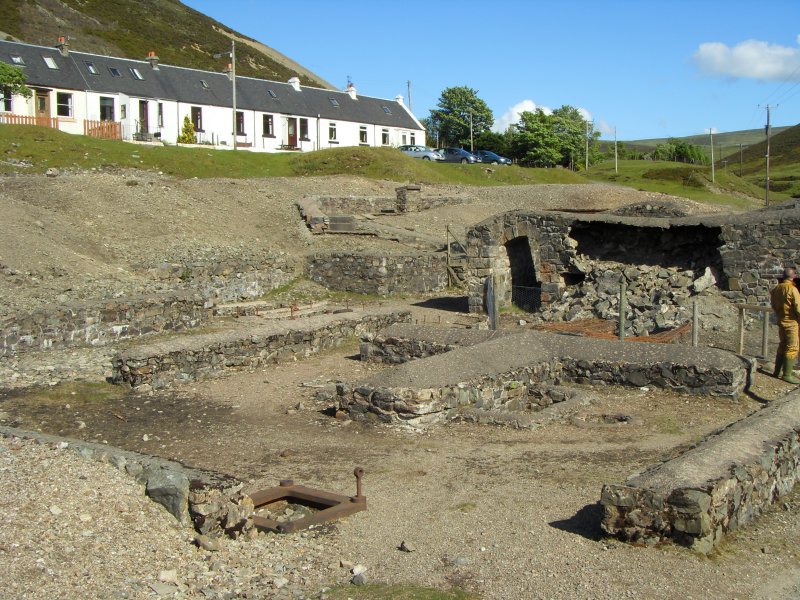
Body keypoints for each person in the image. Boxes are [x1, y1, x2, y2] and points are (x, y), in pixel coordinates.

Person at [770, 266, 800, 384]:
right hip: (791, 322)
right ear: (794, 276)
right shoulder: (792, 289)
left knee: (782, 345)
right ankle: (787, 374)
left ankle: (776, 371)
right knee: (792, 347)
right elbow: (798, 307)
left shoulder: (776, 288)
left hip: (781, 320)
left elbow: (773, 304)